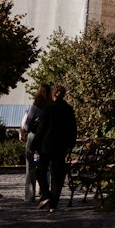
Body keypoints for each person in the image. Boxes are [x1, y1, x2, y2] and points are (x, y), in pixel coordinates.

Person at [35, 84, 78, 213]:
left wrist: (34, 144)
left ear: (53, 94)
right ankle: (53, 204)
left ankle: (46, 195)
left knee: (40, 171)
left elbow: (41, 128)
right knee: (57, 175)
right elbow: (73, 129)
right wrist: (70, 145)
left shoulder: (49, 108)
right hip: (61, 146)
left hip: (47, 146)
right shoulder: (68, 109)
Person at [20, 84, 52, 203]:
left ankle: (29, 196)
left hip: (33, 139)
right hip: (46, 140)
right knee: (44, 166)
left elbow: (27, 126)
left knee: (31, 167)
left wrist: (23, 133)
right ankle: (43, 191)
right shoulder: (51, 108)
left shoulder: (35, 107)